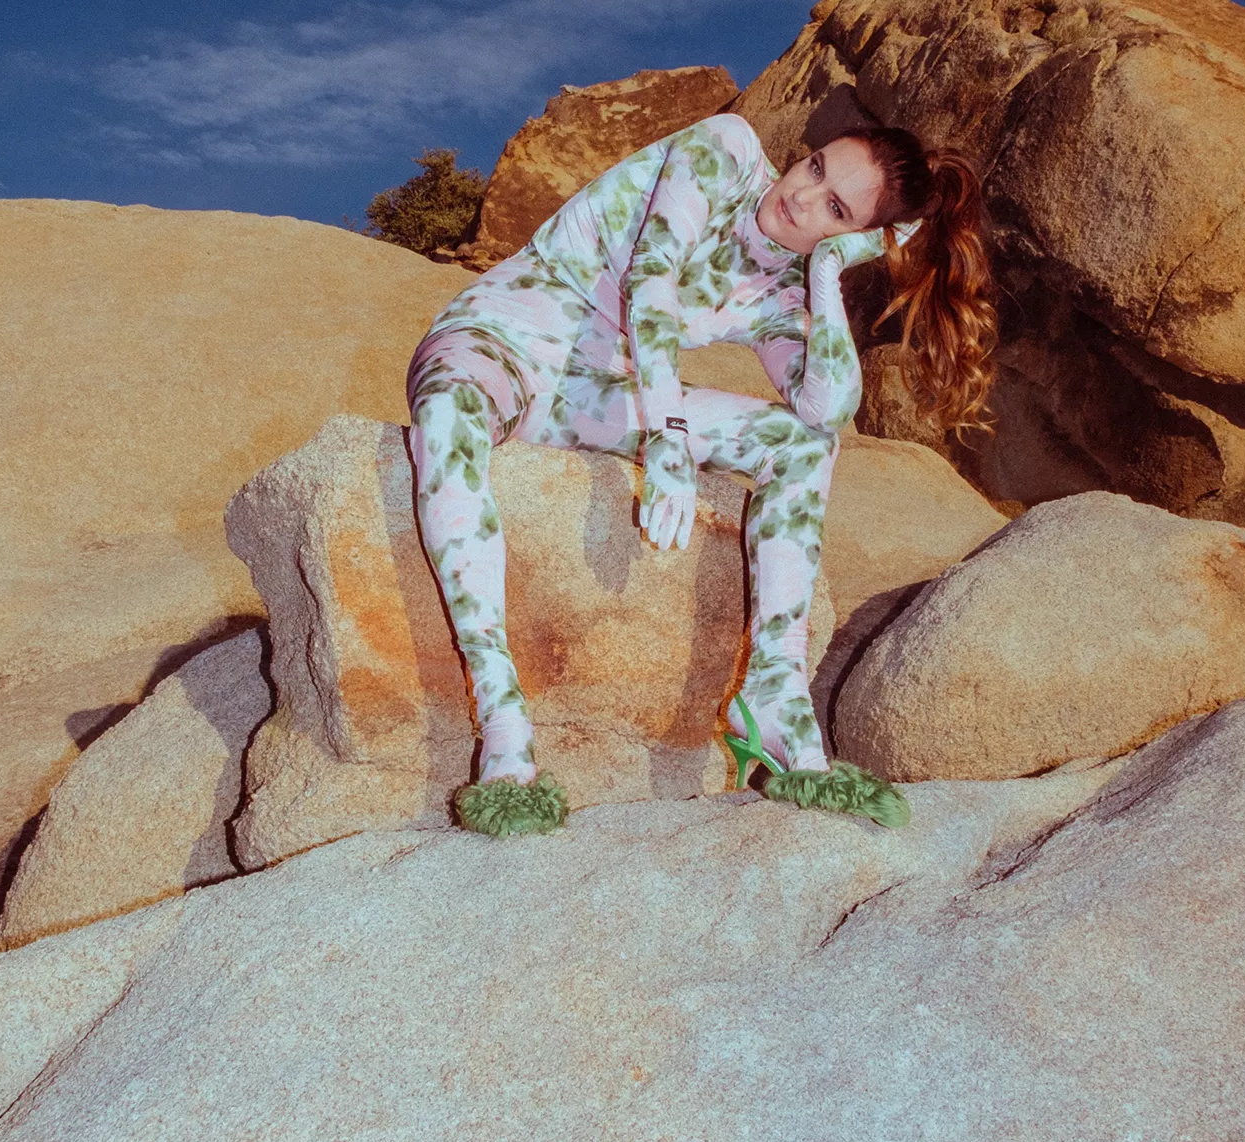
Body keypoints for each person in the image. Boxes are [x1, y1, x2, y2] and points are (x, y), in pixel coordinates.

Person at [406, 111, 997, 835]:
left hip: (589, 396)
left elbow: (825, 407)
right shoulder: (725, 149)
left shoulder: (782, 296)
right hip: (497, 339)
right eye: (815, 167)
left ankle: (775, 693)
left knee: (803, 446)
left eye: (835, 210)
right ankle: (503, 731)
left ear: (852, 236)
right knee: (447, 417)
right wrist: (669, 437)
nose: (802, 196)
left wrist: (829, 271)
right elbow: (651, 278)